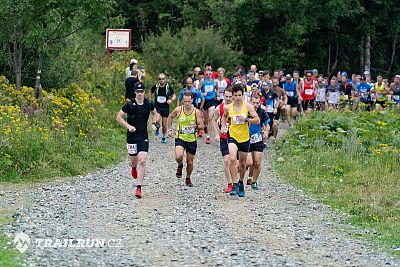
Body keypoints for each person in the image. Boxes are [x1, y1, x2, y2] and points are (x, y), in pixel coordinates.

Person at [116, 82, 159, 199]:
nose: (140, 94)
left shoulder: (148, 103)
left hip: (143, 136)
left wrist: (154, 123)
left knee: (143, 160)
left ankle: (139, 188)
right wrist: (128, 126)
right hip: (131, 137)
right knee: (134, 162)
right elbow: (118, 117)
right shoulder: (129, 105)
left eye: (141, 91)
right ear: (135, 92)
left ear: (144, 92)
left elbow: (155, 113)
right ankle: (133, 168)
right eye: (138, 92)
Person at [220, 84, 260, 197]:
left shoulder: (247, 107)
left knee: (242, 164)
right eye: (236, 95)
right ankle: (234, 184)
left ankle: (241, 182)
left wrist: (246, 119)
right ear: (232, 96)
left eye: (240, 95)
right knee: (232, 158)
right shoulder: (228, 107)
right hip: (232, 136)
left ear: (243, 95)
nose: (238, 97)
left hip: (245, 138)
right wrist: (223, 127)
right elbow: (224, 116)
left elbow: (257, 120)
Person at [167, 92, 204, 187]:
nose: (187, 103)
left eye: (189, 101)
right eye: (185, 101)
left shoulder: (196, 112)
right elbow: (170, 117)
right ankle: (180, 165)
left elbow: (202, 125)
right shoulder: (178, 110)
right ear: (183, 101)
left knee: (190, 162)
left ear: (192, 100)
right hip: (180, 137)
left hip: (191, 139)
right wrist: (170, 129)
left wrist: (196, 126)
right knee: (179, 156)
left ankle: (188, 177)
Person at [246, 94, 269, 190]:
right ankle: (245, 176)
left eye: (257, 103)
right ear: (250, 102)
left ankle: (254, 181)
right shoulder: (246, 111)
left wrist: (266, 131)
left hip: (258, 139)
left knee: (257, 162)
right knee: (249, 162)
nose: (255, 105)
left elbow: (267, 124)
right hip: (246, 139)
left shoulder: (262, 112)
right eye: (253, 103)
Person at [213, 87, 234, 193]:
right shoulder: (219, 108)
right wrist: (217, 134)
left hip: (236, 137)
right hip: (224, 137)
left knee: (236, 162)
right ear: (223, 96)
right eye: (226, 96)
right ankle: (230, 184)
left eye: (230, 96)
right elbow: (213, 120)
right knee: (226, 160)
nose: (228, 98)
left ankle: (237, 181)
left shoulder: (238, 107)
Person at [149, 73, 176, 143]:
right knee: (157, 119)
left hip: (165, 107)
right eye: (160, 79)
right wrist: (150, 100)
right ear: (158, 80)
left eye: (163, 79)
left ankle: (164, 137)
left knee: (164, 124)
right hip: (157, 106)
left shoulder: (168, 86)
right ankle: (157, 127)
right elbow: (150, 92)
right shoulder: (156, 86)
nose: (161, 80)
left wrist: (171, 100)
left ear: (165, 79)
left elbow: (174, 96)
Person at [199, 70, 219, 144]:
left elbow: (217, 88)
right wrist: (202, 93)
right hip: (204, 101)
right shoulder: (202, 81)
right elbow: (198, 90)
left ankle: (208, 136)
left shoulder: (215, 81)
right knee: (205, 120)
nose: (208, 75)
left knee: (211, 117)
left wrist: (217, 95)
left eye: (209, 74)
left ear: (211, 74)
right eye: (206, 74)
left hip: (212, 101)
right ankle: (205, 126)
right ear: (205, 75)